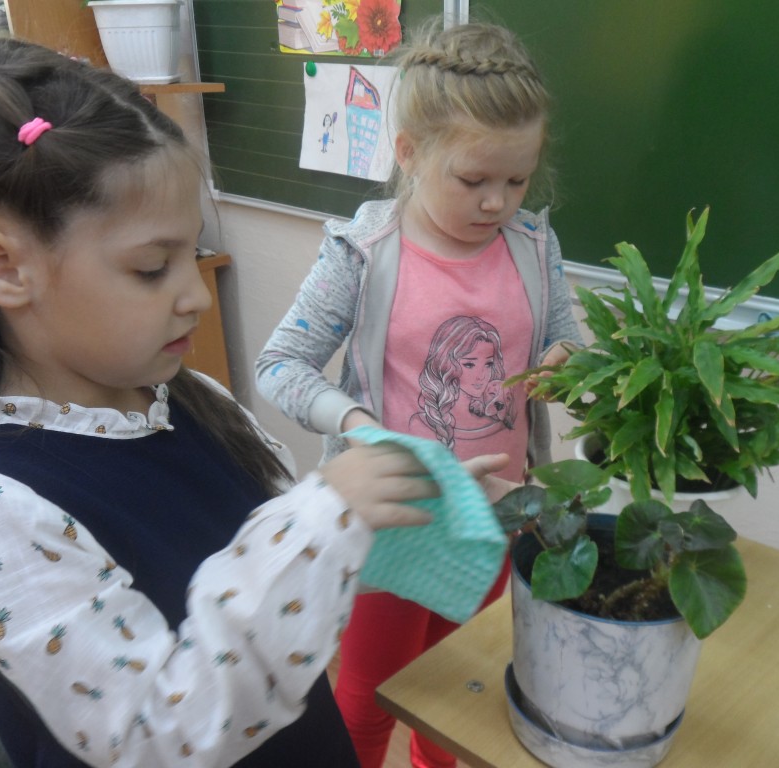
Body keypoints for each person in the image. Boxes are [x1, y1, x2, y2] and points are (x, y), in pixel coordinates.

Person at [0, 36, 510, 768]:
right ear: (4, 267)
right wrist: (321, 517)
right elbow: (157, 735)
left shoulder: (187, 401)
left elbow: (273, 580)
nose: (195, 295)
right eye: (151, 267)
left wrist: (394, 507)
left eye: (192, 255)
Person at [255, 19, 584, 768]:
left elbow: (567, 338)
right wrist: (361, 426)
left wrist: (568, 363)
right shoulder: (363, 252)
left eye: (517, 180)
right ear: (408, 152)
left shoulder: (535, 246)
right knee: (371, 696)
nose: (497, 202)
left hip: (498, 516)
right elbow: (280, 364)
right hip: (397, 523)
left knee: (459, 696)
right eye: (473, 181)